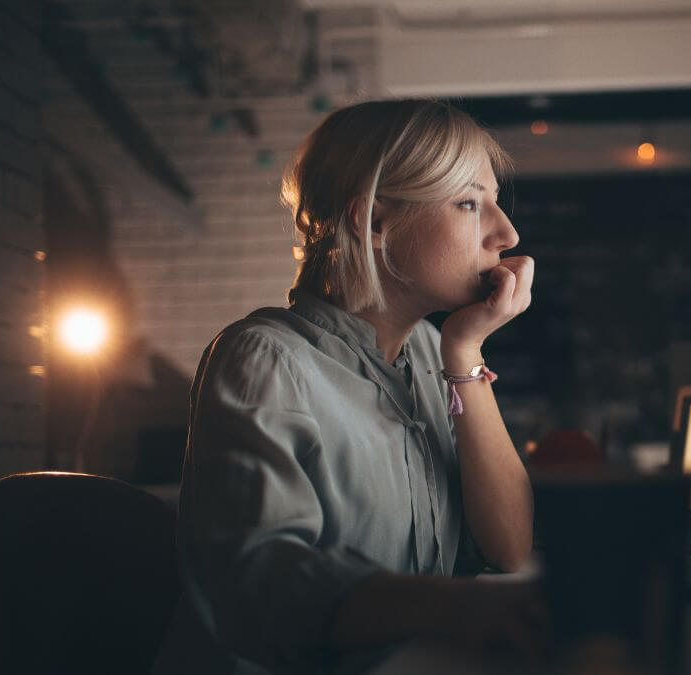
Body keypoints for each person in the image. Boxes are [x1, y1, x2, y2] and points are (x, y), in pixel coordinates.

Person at [151, 99, 541, 675]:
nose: (505, 233)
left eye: (495, 204)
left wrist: (465, 352)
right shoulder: (265, 358)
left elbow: (509, 545)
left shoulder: (436, 352)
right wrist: (457, 607)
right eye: (468, 203)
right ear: (375, 223)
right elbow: (259, 585)